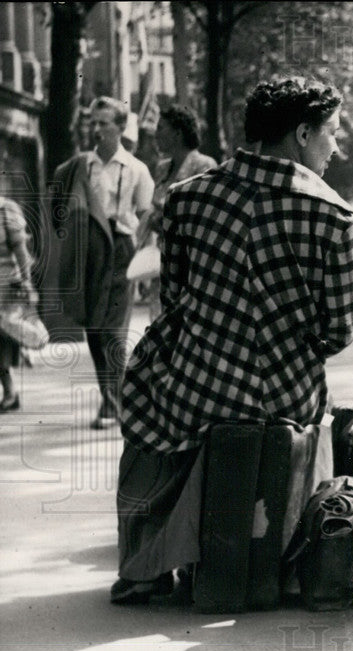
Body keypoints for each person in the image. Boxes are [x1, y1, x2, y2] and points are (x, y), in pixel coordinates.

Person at [111, 77, 353, 604]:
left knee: (143, 396)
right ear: (301, 134)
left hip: (194, 394)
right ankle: (288, 555)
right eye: (331, 135)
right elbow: (339, 331)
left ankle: (144, 566)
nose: (335, 149)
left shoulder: (184, 199)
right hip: (287, 399)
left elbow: (174, 295)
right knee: (321, 414)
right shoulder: (336, 216)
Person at [51, 97, 155, 430]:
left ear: (121, 128)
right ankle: (113, 399)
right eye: (93, 123)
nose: (96, 129)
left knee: (113, 330)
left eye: (103, 123)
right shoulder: (81, 166)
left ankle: (114, 404)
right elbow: (61, 210)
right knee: (94, 329)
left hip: (122, 250)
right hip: (90, 252)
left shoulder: (137, 170)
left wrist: (147, 261)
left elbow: (148, 218)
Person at [133, 105, 217, 321]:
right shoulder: (162, 168)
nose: (155, 134)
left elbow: (205, 217)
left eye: (161, 128)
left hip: (192, 265)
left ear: (178, 133)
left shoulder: (204, 165)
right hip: (162, 263)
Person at [0, 197, 38, 412]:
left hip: (4, 283)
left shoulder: (6, 210)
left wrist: (28, 283)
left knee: (2, 340)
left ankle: (9, 391)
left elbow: (21, 252)